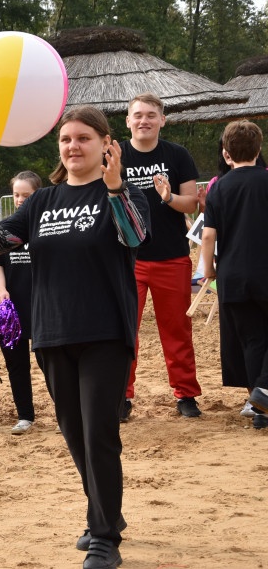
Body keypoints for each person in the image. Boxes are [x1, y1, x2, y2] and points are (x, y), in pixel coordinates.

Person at [0, 106, 150, 569]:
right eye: (66, 140)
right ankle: (107, 516)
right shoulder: (42, 201)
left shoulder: (122, 191)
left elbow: (135, 236)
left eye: (83, 138)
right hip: (52, 331)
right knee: (74, 432)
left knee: (99, 431)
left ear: (105, 144)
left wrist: (116, 187)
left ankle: (103, 537)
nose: (73, 146)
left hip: (105, 331)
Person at [118, 92, 202, 421]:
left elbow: (192, 203)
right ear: (128, 121)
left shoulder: (177, 155)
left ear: (162, 120)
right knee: (125, 331)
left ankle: (186, 395)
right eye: (138, 115)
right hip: (128, 260)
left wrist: (168, 198)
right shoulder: (116, 155)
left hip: (172, 258)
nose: (144, 120)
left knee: (177, 330)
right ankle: (121, 397)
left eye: (151, 115)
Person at [201, 121, 268, 431]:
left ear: (226, 155)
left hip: (232, 275)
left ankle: (260, 411)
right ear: (259, 150)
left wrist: (208, 270)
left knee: (253, 340)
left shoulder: (218, 187)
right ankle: (263, 394)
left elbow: (208, 236)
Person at [0, 171, 42, 435]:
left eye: (26, 195)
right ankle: (25, 416)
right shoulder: (4, 227)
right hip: (11, 306)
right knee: (16, 363)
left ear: (38, 195)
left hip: (41, 304)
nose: (20, 200)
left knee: (49, 360)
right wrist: (1, 289)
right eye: (16, 195)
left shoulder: (46, 226)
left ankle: (67, 413)